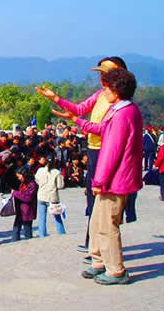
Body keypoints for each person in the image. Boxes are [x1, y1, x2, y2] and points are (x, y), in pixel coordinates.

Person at [55, 68, 143, 285]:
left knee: (107, 225)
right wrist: (77, 120)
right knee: (96, 222)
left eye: (107, 88)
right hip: (114, 177)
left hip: (116, 179)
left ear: (117, 90)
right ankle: (99, 260)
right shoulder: (122, 110)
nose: (104, 92)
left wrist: (99, 181)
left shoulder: (123, 114)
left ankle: (116, 270)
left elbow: (112, 151)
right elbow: (101, 129)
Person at [36, 56, 126, 253]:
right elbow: (80, 109)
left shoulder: (119, 102)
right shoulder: (101, 94)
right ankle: (91, 243)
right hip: (93, 149)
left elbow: (101, 128)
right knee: (92, 198)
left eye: (105, 74)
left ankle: (100, 246)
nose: (101, 78)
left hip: (106, 150)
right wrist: (55, 98)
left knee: (102, 199)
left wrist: (76, 120)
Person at [35, 155, 66, 237]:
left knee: (42, 217)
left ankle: (42, 234)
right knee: (57, 216)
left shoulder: (40, 170)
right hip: (52, 197)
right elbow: (60, 186)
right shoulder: (57, 172)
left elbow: (37, 181)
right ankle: (61, 232)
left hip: (41, 195)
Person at [11, 167, 37, 241]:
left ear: (24, 175)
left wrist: (15, 193)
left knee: (27, 230)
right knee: (16, 229)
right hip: (20, 209)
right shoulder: (23, 183)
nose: (18, 178)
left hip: (27, 211)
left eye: (19, 176)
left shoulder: (32, 184)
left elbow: (28, 197)